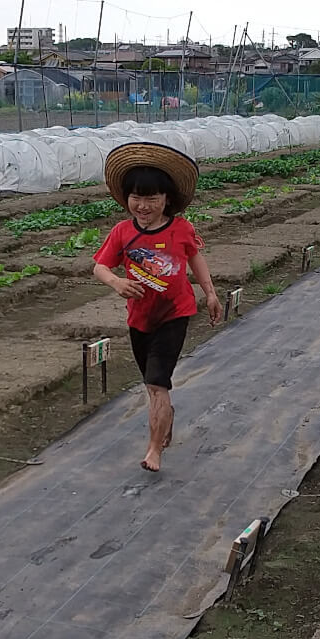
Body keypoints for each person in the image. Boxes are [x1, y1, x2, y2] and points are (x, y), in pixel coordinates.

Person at [92, 141, 223, 473]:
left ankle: (154, 450)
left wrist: (209, 293)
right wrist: (117, 283)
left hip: (174, 315)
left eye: (151, 198)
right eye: (137, 197)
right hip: (139, 319)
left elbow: (195, 257)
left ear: (167, 199)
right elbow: (100, 267)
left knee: (156, 383)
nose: (143, 205)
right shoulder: (122, 232)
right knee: (154, 387)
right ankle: (166, 419)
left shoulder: (181, 229)